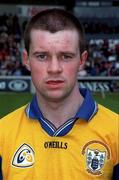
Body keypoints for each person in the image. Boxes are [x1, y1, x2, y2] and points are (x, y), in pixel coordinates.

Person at [0, 8, 118, 180]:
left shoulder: (116, 131)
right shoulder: (3, 134)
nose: (54, 68)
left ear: (82, 60)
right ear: (26, 60)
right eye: (42, 56)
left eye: (66, 56)